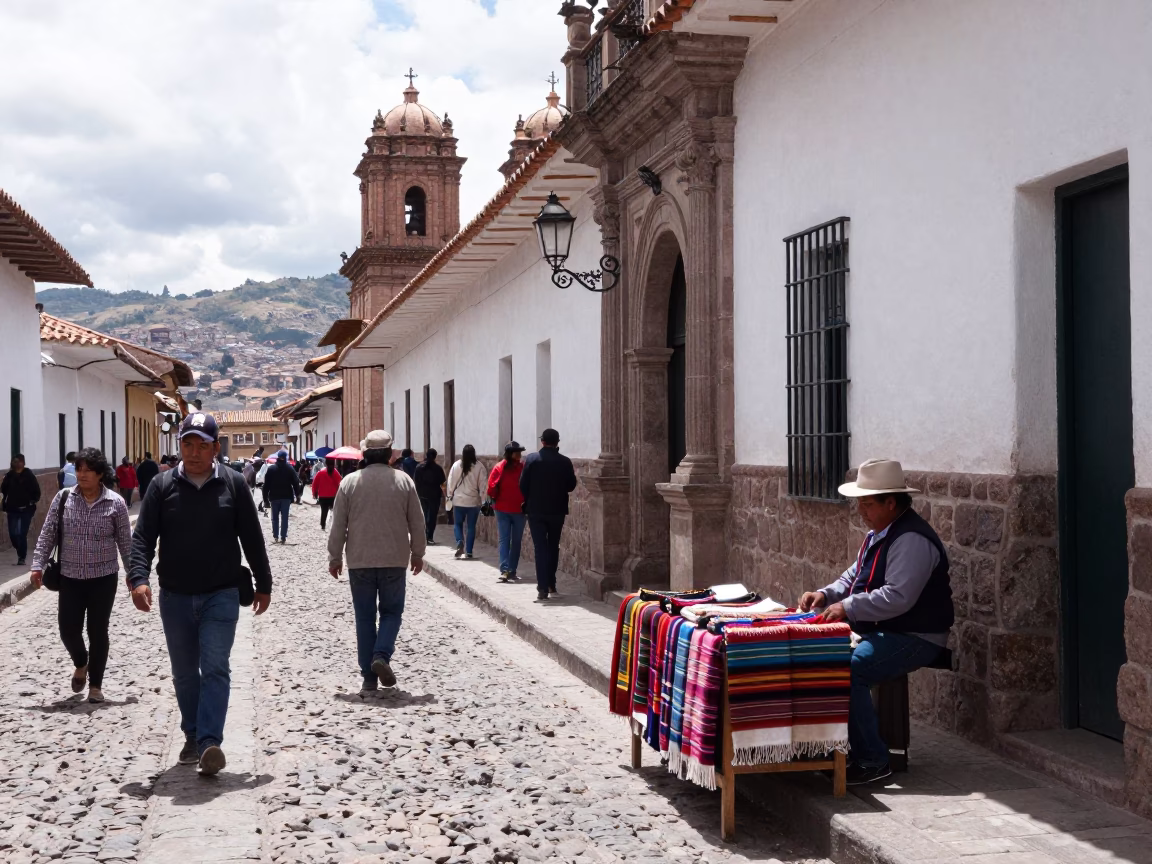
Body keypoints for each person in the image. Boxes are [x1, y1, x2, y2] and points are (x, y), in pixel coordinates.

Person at [129, 411, 272, 776]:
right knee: (184, 674)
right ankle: (192, 734)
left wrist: (263, 583)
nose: (194, 452)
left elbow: (252, 537)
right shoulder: (161, 487)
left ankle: (210, 741)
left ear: (214, 448)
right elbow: (143, 537)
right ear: (179, 446)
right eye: (187, 444)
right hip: (175, 596)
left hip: (221, 593)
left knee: (215, 667)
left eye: (202, 445)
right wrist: (138, 578)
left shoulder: (234, 484)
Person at [797, 458, 954, 787]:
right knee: (822, 655)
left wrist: (847, 607)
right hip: (889, 629)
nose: (861, 511)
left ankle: (872, 760)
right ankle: (840, 749)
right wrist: (826, 595)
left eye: (867, 504)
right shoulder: (879, 534)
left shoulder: (912, 540)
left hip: (916, 635)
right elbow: (854, 576)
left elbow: (898, 597)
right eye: (860, 504)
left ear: (891, 503)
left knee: (851, 669)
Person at [30, 448, 132, 704]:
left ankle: (96, 686)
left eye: (88, 470)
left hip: (104, 577)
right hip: (71, 577)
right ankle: (81, 663)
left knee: (98, 631)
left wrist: (135, 575)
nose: (82, 474)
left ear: (99, 474)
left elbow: (125, 543)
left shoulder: (115, 503)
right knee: (68, 630)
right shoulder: (64, 498)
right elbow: (47, 533)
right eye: (79, 469)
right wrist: (37, 565)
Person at [327, 430, 425, 693]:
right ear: (390, 454)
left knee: (364, 617)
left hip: (360, 560)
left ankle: (369, 677)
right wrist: (418, 553)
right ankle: (381, 655)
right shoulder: (404, 481)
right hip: (394, 559)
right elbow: (417, 522)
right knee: (392, 612)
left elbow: (338, 525)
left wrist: (334, 557)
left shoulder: (349, 482)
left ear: (365, 454)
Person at [519, 429, 577, 601]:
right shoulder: (565, 462)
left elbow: (523, 485)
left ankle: (542, 587)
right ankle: (551, 583)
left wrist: (531, 497)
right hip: (557, 510)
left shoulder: (531, 459)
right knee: (553, 546)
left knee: (540, 548)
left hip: (536, 510)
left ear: (542, 442)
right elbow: (571, 485)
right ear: (557, 442)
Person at [487, 441, 527, 583]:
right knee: (514, 541)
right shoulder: (522, 468)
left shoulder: (499, 468)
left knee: (506, 540)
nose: (520, 455)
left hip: (504, 509)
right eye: (517, 453)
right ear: (511, 454)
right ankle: (510, 570)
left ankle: (506, 569)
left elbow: (491, 489)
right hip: (517, 510)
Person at [445, 445, 487, 560]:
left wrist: (449, 495)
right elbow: (483, 486)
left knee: (458, 524)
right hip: (473, 502)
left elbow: (451, 482)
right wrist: (484, 501)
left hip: (458, 501)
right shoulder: (479, 467)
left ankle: (459, 542)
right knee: (471, 527)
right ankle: (469, 551)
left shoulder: (456, 465)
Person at [2, 454, 42, 566]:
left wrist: (32, 501)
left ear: (23, 462)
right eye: (14, 461)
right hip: (12, 509)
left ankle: (21, 557)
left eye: (18, 461)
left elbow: (36, 491)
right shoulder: (9, 476)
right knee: (13, 534)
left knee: (21, 533)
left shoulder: (29, 475)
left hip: (26, 509)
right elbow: (3, 491)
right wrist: (3, 502)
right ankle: (19, 548)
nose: (16, 463)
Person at [263, 451, 302, 544]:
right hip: (286, 497)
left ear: (278, 457)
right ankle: (283, 537)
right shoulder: (290, 468)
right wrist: (298, 495)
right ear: (285, 457)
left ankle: (276, 536)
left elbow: (266, 485)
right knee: (284, 518)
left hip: (274, 496)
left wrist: (265, 499)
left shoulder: (271, 469)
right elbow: (296, 482)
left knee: (275, 518)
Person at [413, 449, 446, 544]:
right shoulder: (438, 469)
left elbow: (415, 481)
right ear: (435, 456)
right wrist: (446, 495)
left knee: (423, 515)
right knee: (432, 516)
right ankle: (430, 537)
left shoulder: (419, 467)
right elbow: (442, 484)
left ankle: (423, 536)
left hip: (421, 494)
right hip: (434, 496)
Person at [311, 457, 342, 530]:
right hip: (333, 496)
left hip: (323, 496)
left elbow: (315, 484)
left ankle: (323, 525)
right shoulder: (336, 472)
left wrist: (314, 493)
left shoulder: (321, 472)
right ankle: (335, 525)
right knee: (335, 511)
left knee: (324, 511)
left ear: (326, 463)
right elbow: (340, 483)